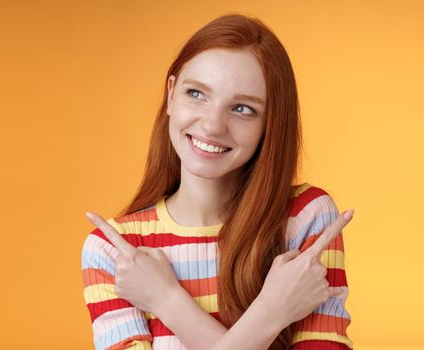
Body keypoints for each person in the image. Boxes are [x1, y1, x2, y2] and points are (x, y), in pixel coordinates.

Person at [81, 13, 354, 350]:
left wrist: (168, 302)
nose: (212, 125)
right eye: (196, 93)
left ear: (271, 123)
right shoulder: (115, 251)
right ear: (170, 95)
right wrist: (271, 312)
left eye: (242, 109)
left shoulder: (305, 217)